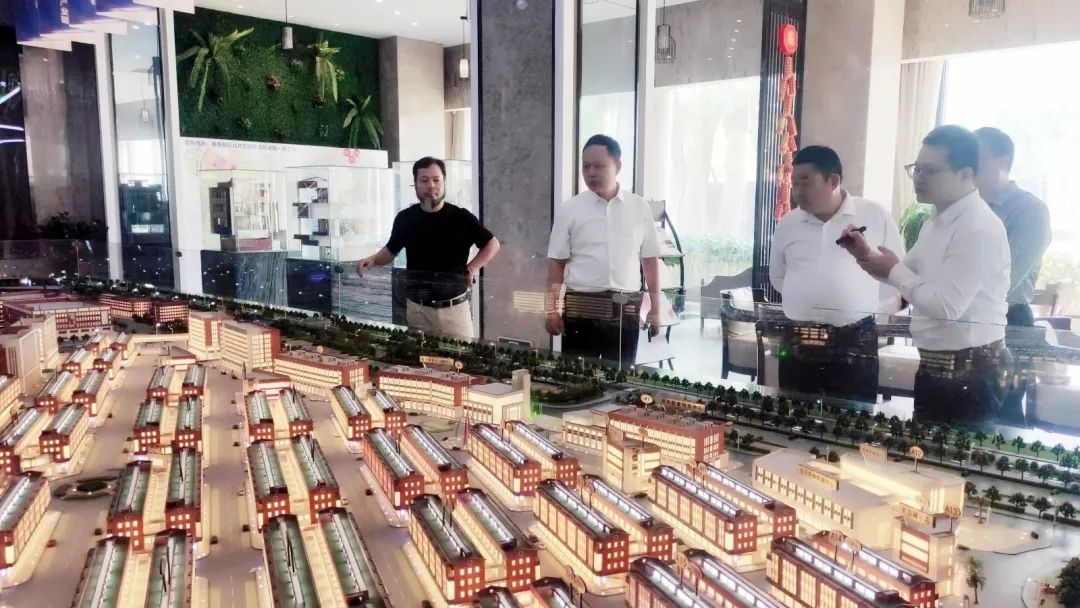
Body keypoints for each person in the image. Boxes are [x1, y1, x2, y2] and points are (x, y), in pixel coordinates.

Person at [840, 125, 1011, 423]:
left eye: (930, 171)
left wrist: (893, 270)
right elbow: (905, 272)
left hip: (972, 369)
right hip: (937, 363)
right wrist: (865, 253)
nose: (919, 178)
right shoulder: (937, 219)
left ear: (966, 174)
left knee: (959, 452)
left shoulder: (978, 227)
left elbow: (946, 307)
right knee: (924, 448)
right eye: (917, 169)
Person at [769, 145, 904, 402]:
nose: (798, 192)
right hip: (799, 338)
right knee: (794, 413)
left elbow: (896, 273)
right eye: (794, 183)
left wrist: (854, 303)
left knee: (853, 415)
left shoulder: (874, 215)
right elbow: (778, 276)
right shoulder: (789, 223)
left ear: (833, 181)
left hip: (854, 338)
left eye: (806, 182)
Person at [545, 134, 661, 365]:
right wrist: (551, 311)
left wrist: (656, 309)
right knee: (577, 376)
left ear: (617, 166)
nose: (590, 173)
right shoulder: (570, 209)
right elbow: (556, 263)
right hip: (581, 307)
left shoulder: (639, 207)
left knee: (620, 376)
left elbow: (649, 260)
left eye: (598, 166)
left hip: (625, 307)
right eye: (586, 166)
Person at [356, 156, 500, 340]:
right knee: (418, 357)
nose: (431, 186)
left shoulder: (461, 217)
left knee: (462, 357)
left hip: (454, 310)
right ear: (415, 185)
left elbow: (492, 244)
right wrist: (373, 260)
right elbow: (391, 250)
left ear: (444, 182)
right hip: (418, 310)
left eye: (436, 180)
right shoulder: (405, 218)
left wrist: (472, 268)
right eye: (424, 180)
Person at [974, 127, 1051, 328]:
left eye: (977, 159)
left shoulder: (1030, 210)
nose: (968, 167)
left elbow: (1003, 283)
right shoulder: (966, 208)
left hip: (1008, 320)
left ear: (1003, 162)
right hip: (960, 316)